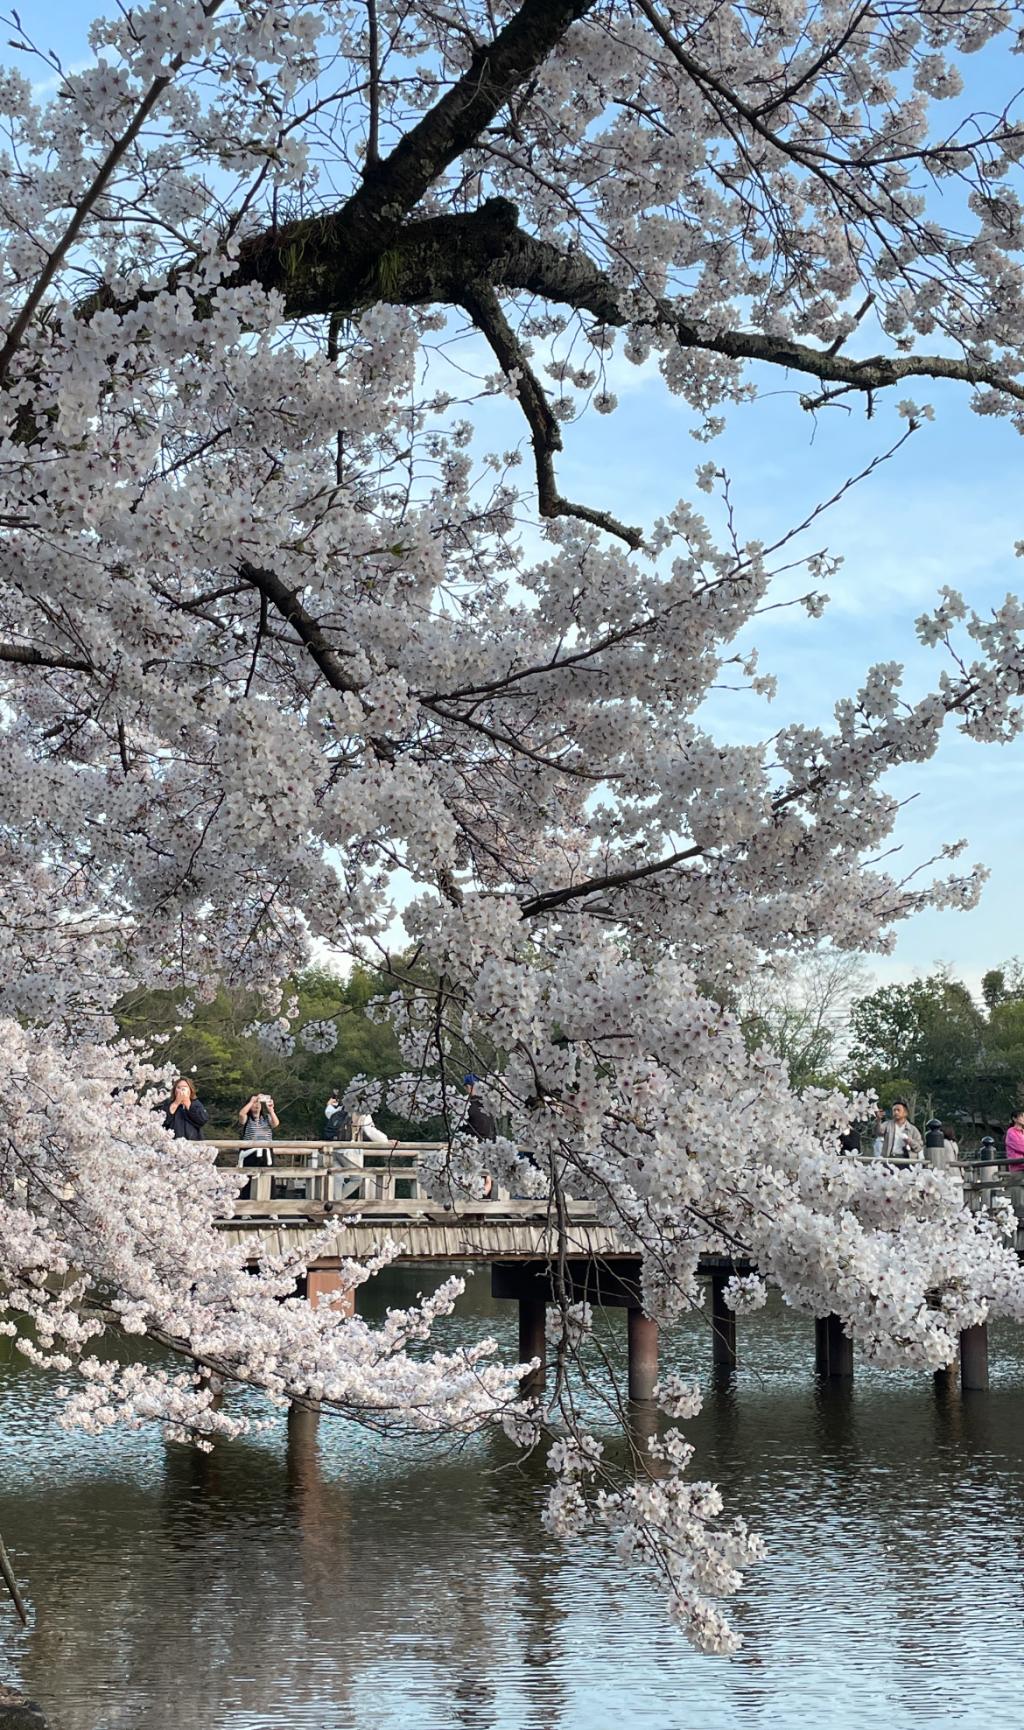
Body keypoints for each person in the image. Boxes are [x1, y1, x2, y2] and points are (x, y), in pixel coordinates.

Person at [237, 1092, 280, 1198]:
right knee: (248, 1179)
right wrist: (252, 1101)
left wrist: (271, 1110)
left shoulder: (266, 1118)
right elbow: (241, 1115)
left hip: (266, 1153)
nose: (256, 1105)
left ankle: (271, 1209)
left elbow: (276, 1123)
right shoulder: (248, 1119)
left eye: (258, 1103)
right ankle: (246, 1210)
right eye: (254, 1103)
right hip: (250, 1152)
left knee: (269, 1178)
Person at [464, 1073, 496, 1198]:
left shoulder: (467, 1106)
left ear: (468, 1087)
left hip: (471, 1149)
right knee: (485, 1179)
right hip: (487, 1148)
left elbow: (462, 1130)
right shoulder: (489, 1105)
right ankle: (482, 1206)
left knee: (471, 1179)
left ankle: (474, 1204)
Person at [1005, 1109, 1024, 1173]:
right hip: (1018, 1167)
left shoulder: (1023, 1131)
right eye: (1022, 1116)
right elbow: (1020, 1146)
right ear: (1014, 1119)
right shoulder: (1011, 1132)